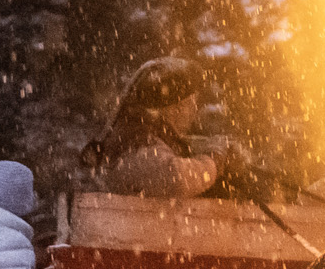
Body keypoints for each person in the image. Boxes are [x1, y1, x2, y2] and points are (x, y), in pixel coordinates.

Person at [79, 58, 221, 198]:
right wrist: (214, 162)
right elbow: (175, 178)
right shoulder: (136, 140)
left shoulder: (143, 137)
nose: (193, 111)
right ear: (172, 108)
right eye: (188, 104)